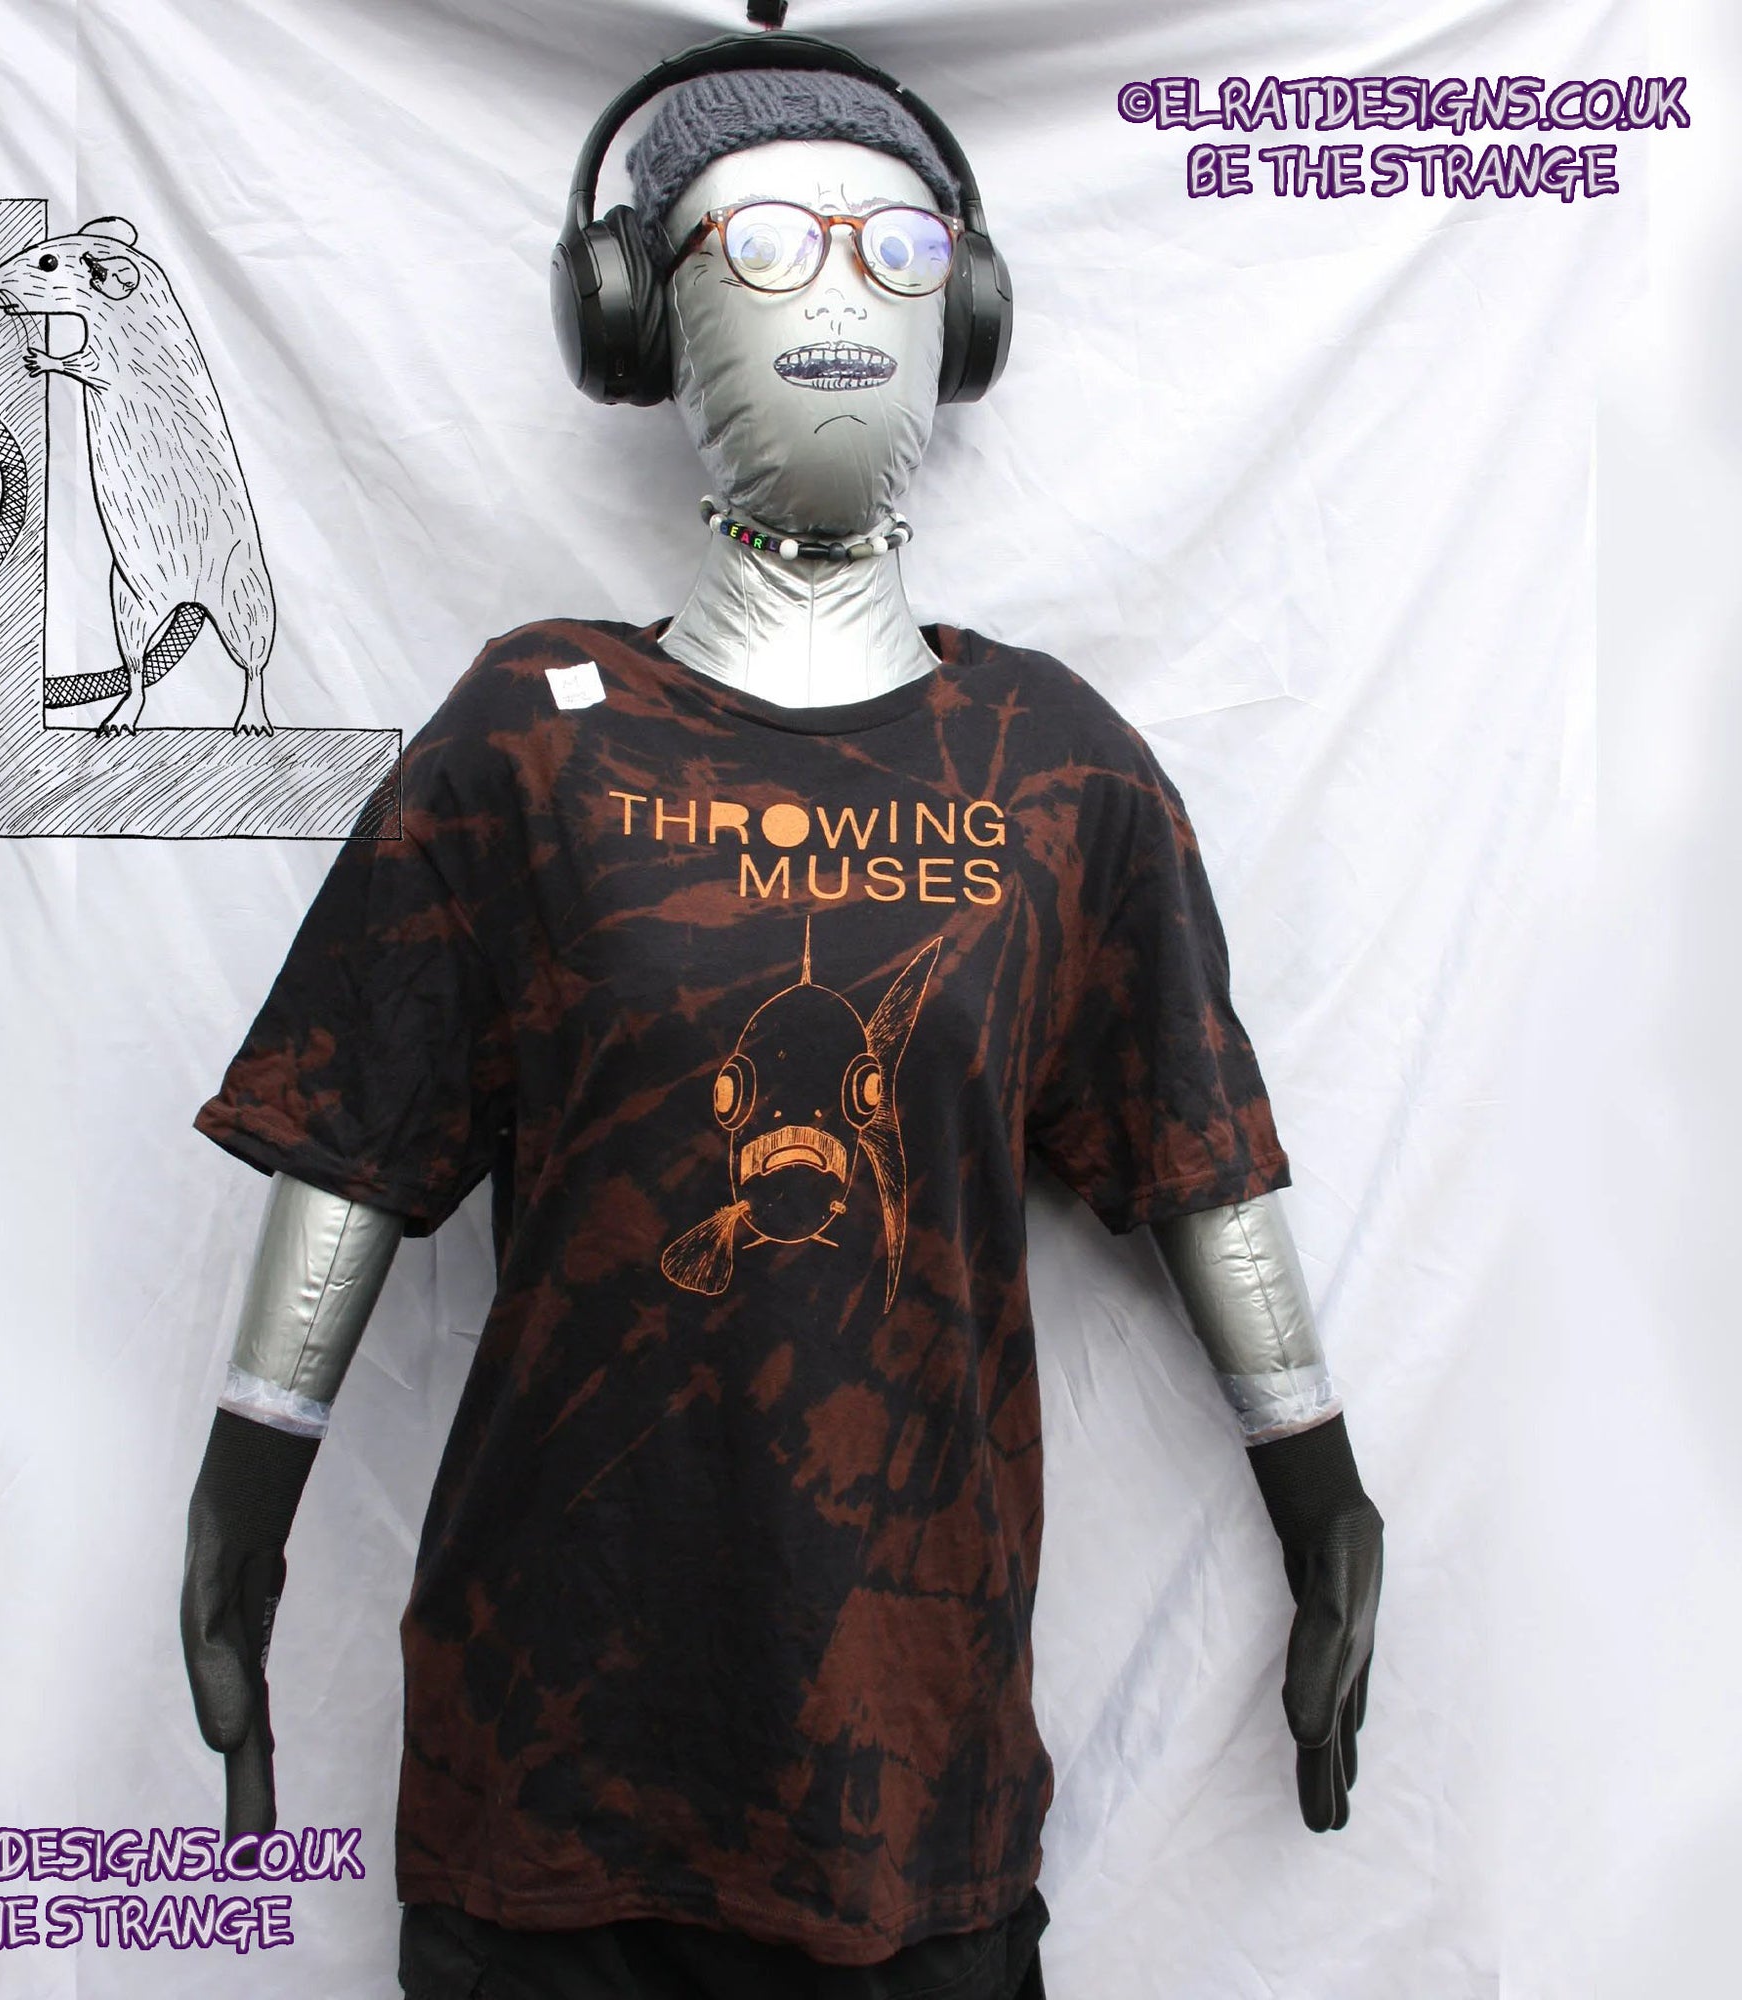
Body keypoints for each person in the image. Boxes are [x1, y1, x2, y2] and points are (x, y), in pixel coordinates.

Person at [181, 40, 1383, 1999]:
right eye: (756, 240)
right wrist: (244, 1500)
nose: (833, 287)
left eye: (893, 245)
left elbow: (1198, 1164)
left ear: (961, 315)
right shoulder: (528, 735)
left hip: (905, 1780)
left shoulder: (1053, 767)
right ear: (641, 314)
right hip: (549, 1779)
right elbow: (352, 1139)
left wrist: (1322, 1498)